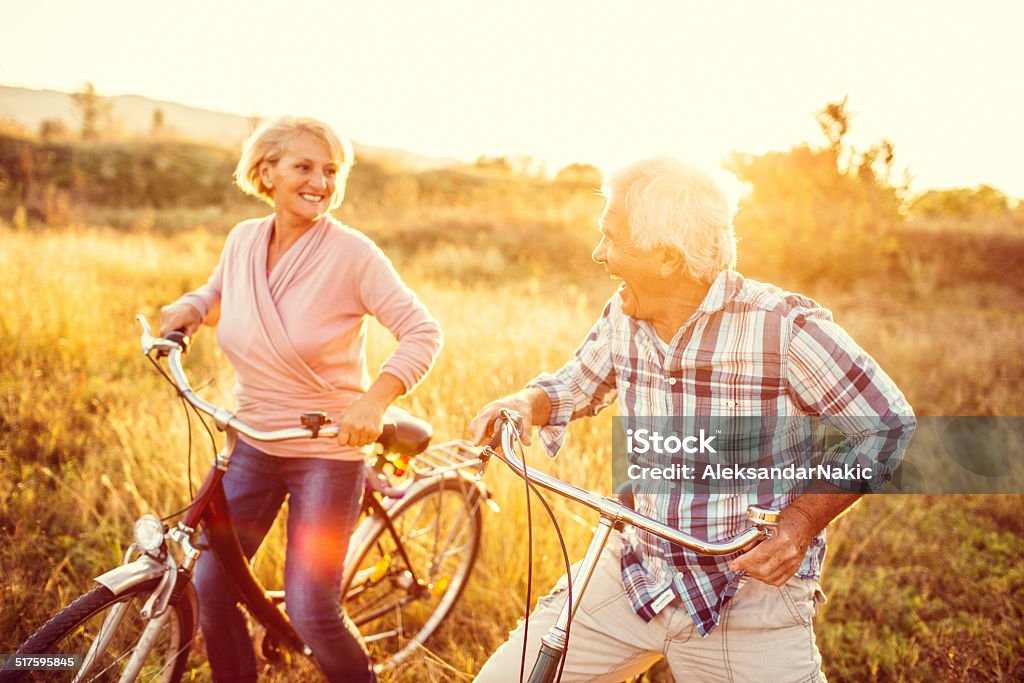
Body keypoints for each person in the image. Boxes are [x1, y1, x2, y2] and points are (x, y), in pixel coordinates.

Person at [469, 157, 915, 682]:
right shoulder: (625, 313)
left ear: (666, 258)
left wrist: (800, 523)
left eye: (612, 239)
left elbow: (887, 426)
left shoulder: (782, 327)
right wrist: (526, 403)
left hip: (748, 597)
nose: (598, 254)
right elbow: (576, 382)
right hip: (636, 573)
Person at [160, 117, 442, 682]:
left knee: (312, 608)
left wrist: (374, 402)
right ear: (267, 172)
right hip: (254, 439)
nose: (320, 181)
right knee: (212, 588)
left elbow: (423, 331)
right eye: (304, 166)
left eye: (331, 170)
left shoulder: (354, 255)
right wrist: (191, 308)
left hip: (326, 449)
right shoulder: (243, 239)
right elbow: (221, 293)